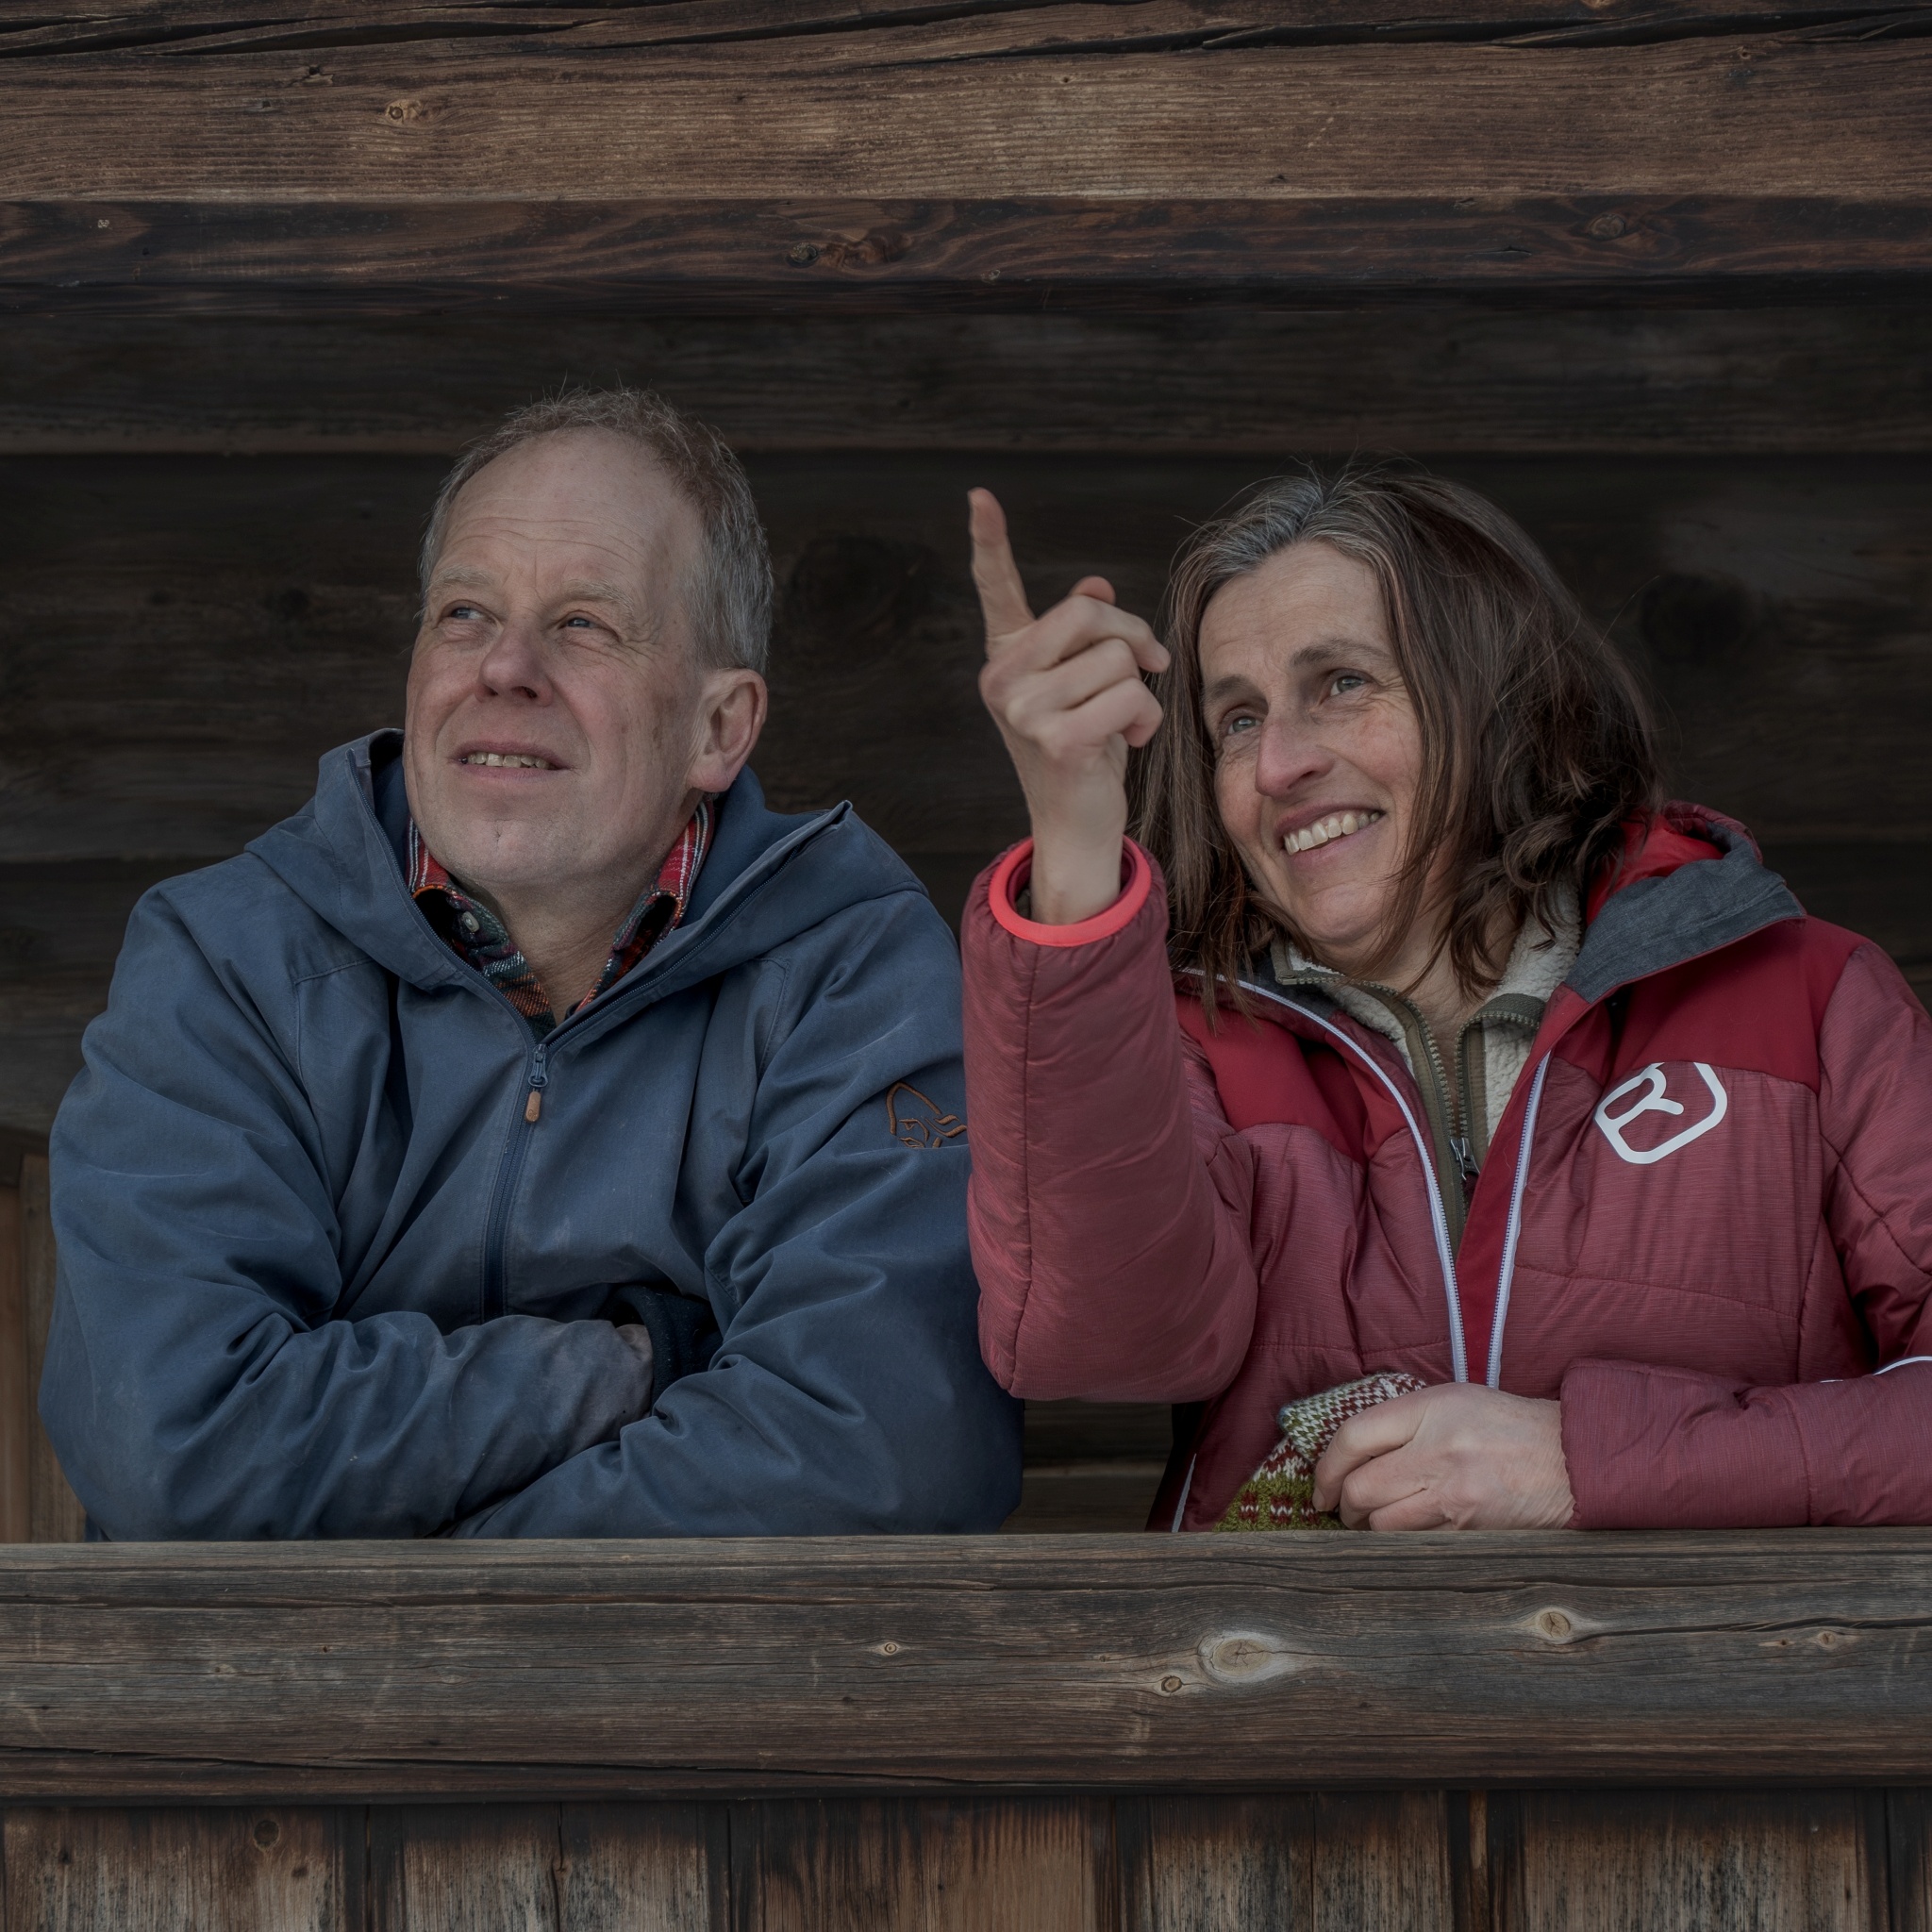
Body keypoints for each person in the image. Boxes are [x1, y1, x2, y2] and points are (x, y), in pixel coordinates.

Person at [42, 388, 1020, 1540]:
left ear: (719, 728)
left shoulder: (850, 972)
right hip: (253, 1722)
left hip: (701, 1714)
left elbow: (885, 1447)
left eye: (584, 624)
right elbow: (172, 1446)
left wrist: (419, 1595)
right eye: (463, 611)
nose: (503, 667)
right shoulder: (228, 962)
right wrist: (632, 1364)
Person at [960, 464, 1932, 1533]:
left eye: (1339, 681)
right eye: (1235, 719)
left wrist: (1591, 1460)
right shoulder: (1191, 1039)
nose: (1278, 762)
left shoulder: (1810, 1001)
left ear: (1497, 694)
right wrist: (1075, 842)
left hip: (1712, 1693)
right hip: (1284, 1695)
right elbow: (1098, 1338)